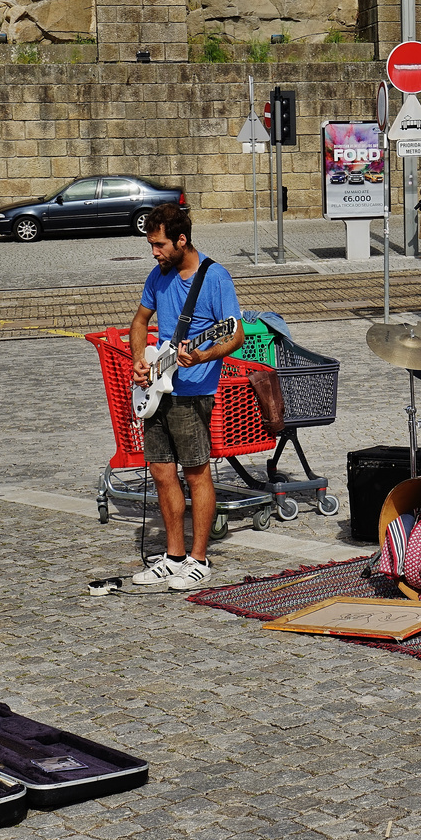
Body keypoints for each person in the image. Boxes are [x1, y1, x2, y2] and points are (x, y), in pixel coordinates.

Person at [128, 205, 244, 591]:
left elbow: (235, 334)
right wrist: (139, 362)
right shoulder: (157, 276)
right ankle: (173, 555)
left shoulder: (215, 277)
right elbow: (140, 321)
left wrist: (203, 355)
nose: (154, 252)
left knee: (196, 473)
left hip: (194, 390)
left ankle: (198, 559)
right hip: (158, 387)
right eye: (151, 244)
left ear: (181, 240)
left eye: (159, 245)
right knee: (162, 473)